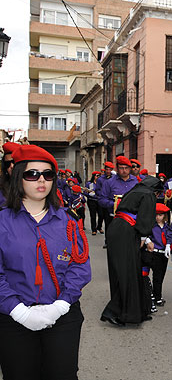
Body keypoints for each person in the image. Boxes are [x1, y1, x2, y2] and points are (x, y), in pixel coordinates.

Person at [0, 145, 91, 379]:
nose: (41, 180)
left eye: (48, 174)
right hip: (13, 317)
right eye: (32, 174)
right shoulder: (2, 221)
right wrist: (19, 312)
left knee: (62, 374)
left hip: (62, 316)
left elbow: (79, 265)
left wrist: (60, 305)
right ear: (19, 176)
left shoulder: (68, 220)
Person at [100, 176, 162, 326]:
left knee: (122, 271)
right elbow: (145, 219)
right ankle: (115, 312)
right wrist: (144, 238)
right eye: (158, 194)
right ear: (155, 190)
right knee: (129, 273)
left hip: (116, 229)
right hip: (127, 233)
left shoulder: (134, 191)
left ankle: (137, 311)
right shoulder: (148, 195)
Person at [98, 157, 137, 248]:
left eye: (126, 168)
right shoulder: (109, 182)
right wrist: (114, 204)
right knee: (115, 246)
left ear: (130, 168)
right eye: (121, 168)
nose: (124, 170)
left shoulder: (135, 181)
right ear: (117, 168)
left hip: (132, 218)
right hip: (114, 217)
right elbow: (101, 200)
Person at [141, 203, 172, 308]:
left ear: (165, 216)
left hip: (163, 254)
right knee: (147, 276)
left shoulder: (167, 227)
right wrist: (147, 240)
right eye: (156, 215)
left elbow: (170, 237)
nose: (157, 217)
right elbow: (144, 233)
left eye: (160, 215)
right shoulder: (151, 226)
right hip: (152, 253)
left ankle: (156, 296)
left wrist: (171, 249)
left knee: (159, 277)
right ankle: (150, 296)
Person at [0, 141, 19, 207]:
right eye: (7, 164)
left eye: (14, 162)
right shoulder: (1, 189)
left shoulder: (34, 185)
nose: (11, 166)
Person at [96, 162, 113, 234]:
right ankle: (107, 241)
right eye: (107, 169)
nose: (108, 171)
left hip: (113, 202)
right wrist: (104, 194)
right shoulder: (100, 179)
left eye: (110, 169)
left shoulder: (114, 178)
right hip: (105, 202)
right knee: (107, 221)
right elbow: (97, 190)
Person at [85, 171, 103, 235]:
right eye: (97, 176)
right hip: (92, 200)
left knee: (101, 215)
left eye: (99, 176)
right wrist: (89, 193)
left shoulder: (101, 183)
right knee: (93, 215)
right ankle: (94, 229)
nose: (98, 177)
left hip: (99, 200)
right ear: (94, 176)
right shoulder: (89, 183)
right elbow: (85, 192)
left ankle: (99, 227)